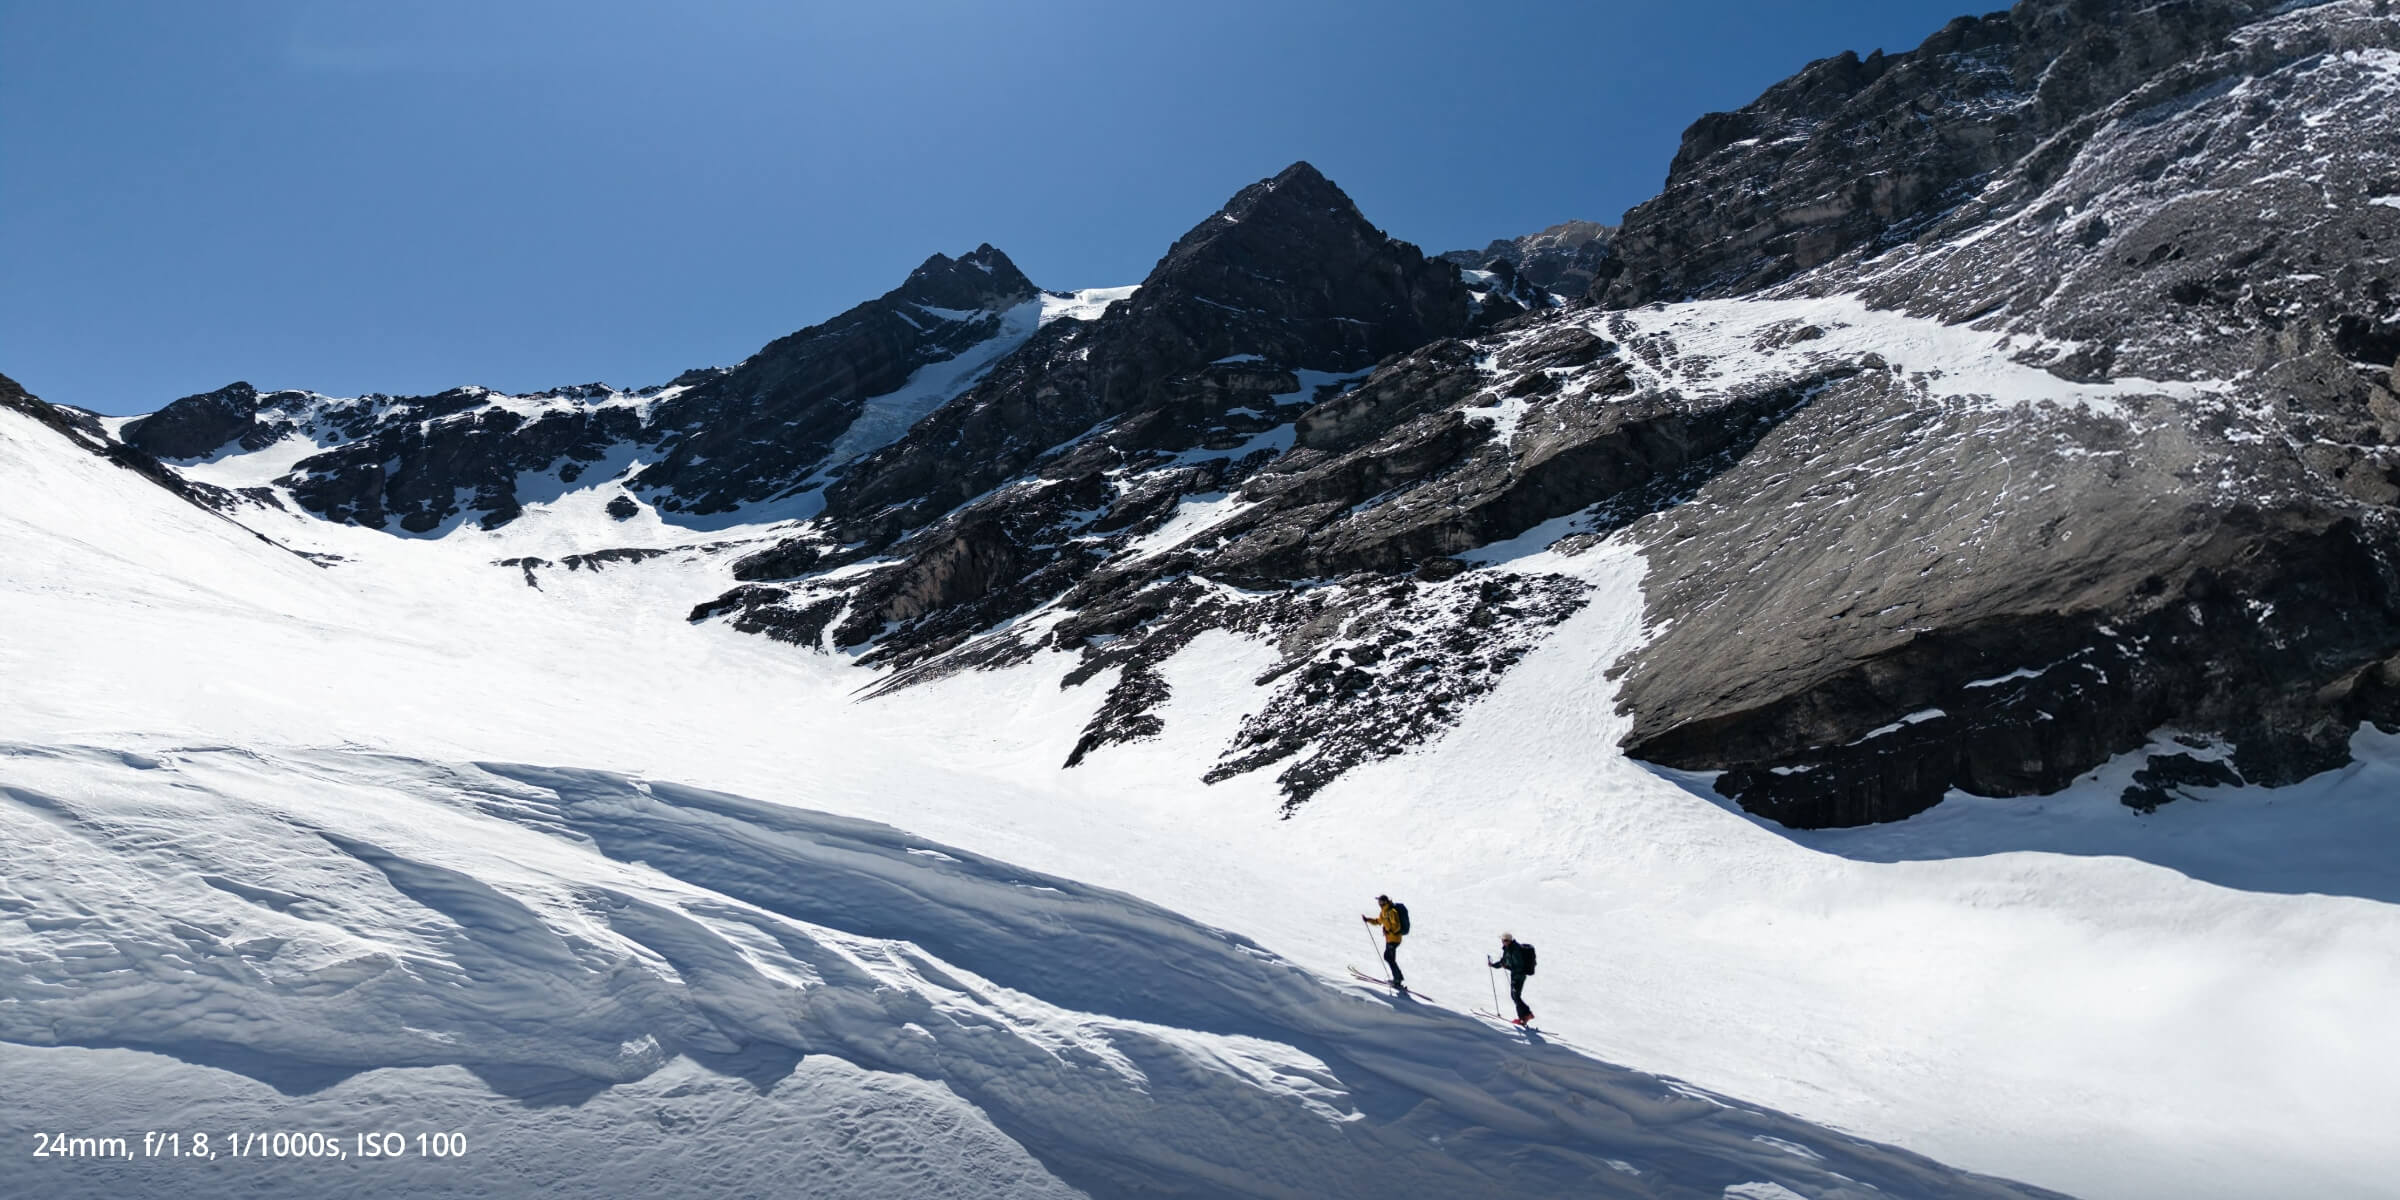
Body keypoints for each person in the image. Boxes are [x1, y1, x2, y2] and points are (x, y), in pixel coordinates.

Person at [1488, 933, 1534, 1025]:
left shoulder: (1515, 950)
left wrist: (1508, 966)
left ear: (1509, 940)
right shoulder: (1508, 949)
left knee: (1515, 996)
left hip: (1519, 976)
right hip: (1516, 975)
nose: (1503, 942)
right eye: (1502, 940)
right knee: (1515, 996)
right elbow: (1504, 961)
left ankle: (1525, 1016)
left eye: (1505, 940)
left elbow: (1518, 965)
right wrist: (1493, 965)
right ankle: (1524, 1016)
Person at [1361, 895, 1405, 989]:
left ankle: (1397, 979)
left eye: (1380, 902)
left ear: (1384, 902)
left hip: (1394, 939)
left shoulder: (1392, 912)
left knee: (1388, 957)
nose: (1379, 904)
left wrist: (1388, 930)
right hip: (1390, 939)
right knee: (1390, 958)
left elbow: (1397, 926)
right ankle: (1397, 978)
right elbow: (1378, 921)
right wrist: (1367, 920)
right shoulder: (1384, 912)